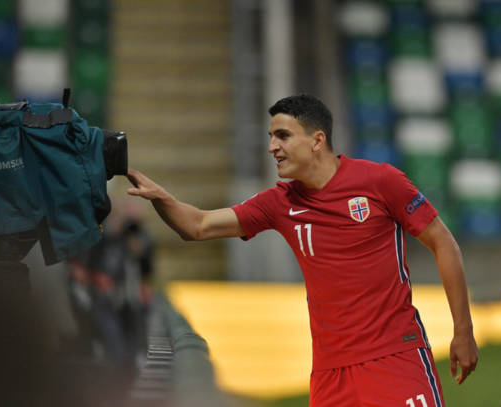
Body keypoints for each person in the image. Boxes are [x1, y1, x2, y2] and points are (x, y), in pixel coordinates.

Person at [126, 94, 479, 406]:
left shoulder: (380, 181)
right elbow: (198, 226)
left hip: (394, 359)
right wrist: (162, 199)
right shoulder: (279, 203)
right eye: (270, 137)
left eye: (282, 136)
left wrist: (463, 332)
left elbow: (443, 242)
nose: (272, 147)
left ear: (317, 141)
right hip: (330, 376)